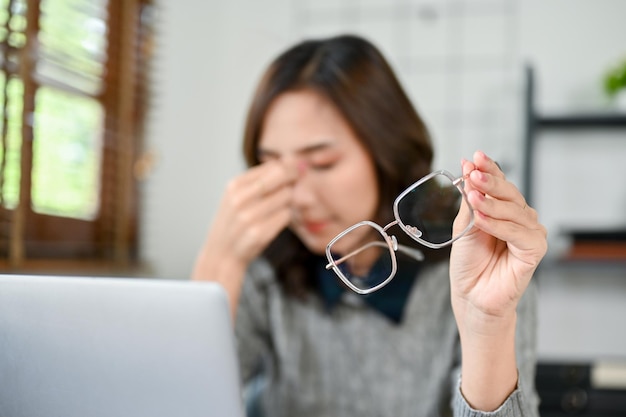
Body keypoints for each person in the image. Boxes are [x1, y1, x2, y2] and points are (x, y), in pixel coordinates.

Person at [192, 34, 547, 417]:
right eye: (273, 165)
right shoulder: (264, 264)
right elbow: (182, 404)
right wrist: (220, 265)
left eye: (323, 163)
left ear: (385, 150)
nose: (298, 198)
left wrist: (485, 326)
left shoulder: (483, 263)